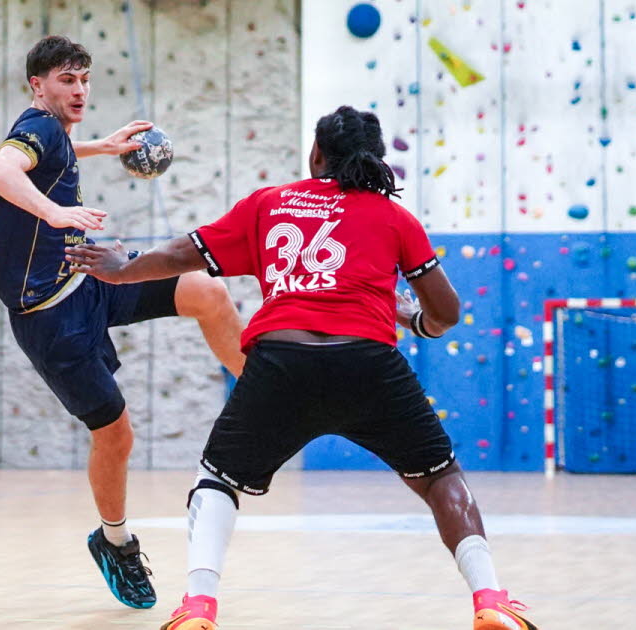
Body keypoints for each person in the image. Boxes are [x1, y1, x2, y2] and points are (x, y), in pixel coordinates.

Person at [65, 105, 538, 630]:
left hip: (281, 362)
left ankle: (198, 606)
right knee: (440, 477)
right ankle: (489, 599)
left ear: (316, 154)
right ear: (376, 159)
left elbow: (182, 255)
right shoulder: (393, 217)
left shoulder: (272, 203)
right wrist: (413, 320)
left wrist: (123, 269)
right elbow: (447, 312)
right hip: (368, 363)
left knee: (218, 481)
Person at [0, 36, 246, 610]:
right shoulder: (39, 127)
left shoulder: (58, 135)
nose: (78, 90)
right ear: (38, 87)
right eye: (65, 81)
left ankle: (256, 390)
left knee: (206, 287)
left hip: (89, 278)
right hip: (52, 320)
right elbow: (1, 170)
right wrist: (56, 213)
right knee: (116, 434)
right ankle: (114, 540)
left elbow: (55, 157)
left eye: (83, 79)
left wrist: (100, 147)